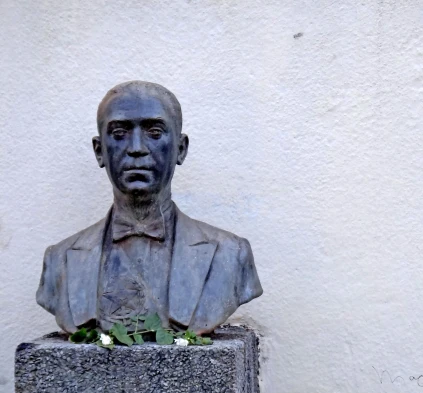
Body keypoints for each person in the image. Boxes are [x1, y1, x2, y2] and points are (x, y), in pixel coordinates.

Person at [36, 81, 262, 335]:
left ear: (181, 148)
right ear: (100, 151)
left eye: (154, 133)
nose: (136, 149)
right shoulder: (59, 260)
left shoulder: (231, 255)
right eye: (119, 134)